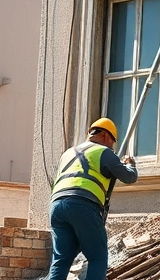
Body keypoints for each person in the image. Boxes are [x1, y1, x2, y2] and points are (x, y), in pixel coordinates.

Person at [48, 118, 139, 280]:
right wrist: (130, 164)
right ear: (104, 135)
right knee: (97, 258)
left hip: (56, 207)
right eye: (112, 141)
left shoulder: (68, 153)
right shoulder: (103, 152)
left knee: (61, 259)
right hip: (82, 205)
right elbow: (129, 177)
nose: (112, 146)